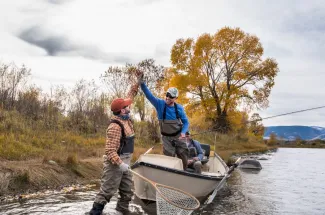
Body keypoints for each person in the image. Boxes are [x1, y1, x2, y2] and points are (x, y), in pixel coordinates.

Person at [89, 84, 139, 215]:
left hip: (126, 161)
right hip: (115, 163)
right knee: (107, 191)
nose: (129, 106)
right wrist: (120, 164)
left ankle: (122, 209)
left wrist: (137, 83)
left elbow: (130, 97)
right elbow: (110, 151)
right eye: (127, 106)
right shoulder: (115, 126)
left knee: (127, 190)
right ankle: (95, 212)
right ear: (122, 110)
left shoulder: (125, 116)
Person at [138, 74, 189, 170]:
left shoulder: (179, 109)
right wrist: (142, 83)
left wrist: (183, 132)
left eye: (171, 96)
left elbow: (186, 123)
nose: (168, 98)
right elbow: (149, 95)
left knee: (184, 157)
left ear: (175, 98)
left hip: (179, 137)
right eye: (167, 95)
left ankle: (185, 171)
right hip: (166, 138)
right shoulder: (160, 104)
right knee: (169, 158)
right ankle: (170, 175)